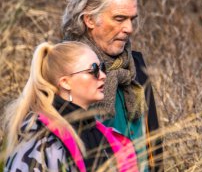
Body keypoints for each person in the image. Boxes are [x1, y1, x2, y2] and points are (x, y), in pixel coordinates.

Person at [61, 0, 163, 171]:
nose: (129, 28)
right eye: (119, 18)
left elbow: (152, 146)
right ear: (89, 19)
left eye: (131, 19)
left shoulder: (135, 67)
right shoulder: (67, 73)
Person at [3, 41, 138, 171]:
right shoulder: (42, 138)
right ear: (65, 83)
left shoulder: (109, 138)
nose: (103, 76)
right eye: (94, 69)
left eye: (102, 67)